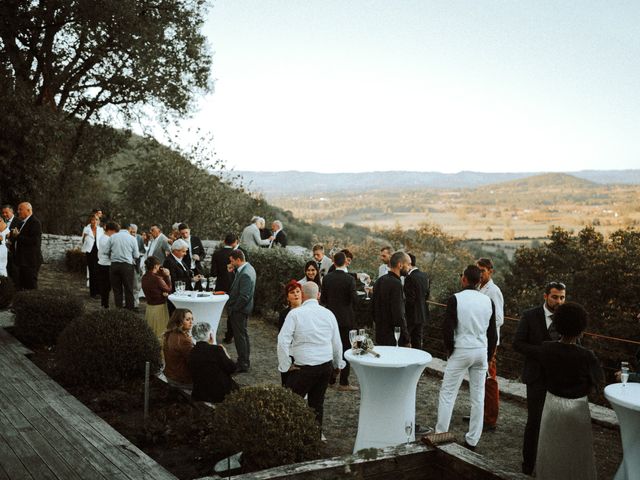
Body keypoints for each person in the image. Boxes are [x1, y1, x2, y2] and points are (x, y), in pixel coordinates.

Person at [533, 302, 603, 480]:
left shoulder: (545, 348)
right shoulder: (587, 356)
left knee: (551, 449)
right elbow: (597, 383)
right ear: (581, 328)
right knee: (577, 452)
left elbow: (541, 376)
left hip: (552, 405)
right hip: (577, 409)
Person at [435, 264, 497, 451]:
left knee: (448, 394)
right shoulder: (488, 301)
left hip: (461, 349)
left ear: (464, 279)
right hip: (481, 351)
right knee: (478, 396)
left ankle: (440, 434)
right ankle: (472, 439)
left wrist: (449, 349)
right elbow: (492, 332)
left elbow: (447, 328)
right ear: (479, 281)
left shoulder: (455, 299)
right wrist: (489, 355)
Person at [513, 281, 567, 476]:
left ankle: (550, 464)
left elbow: (578, 343)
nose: (559, 301)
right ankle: (528, 466)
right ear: (545, 296)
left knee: (556, 423)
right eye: (555, 297)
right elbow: (517, 343)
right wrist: (543, 352)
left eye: (562, 297)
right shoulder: (530, 316)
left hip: (559, 379)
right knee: (534, 421)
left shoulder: (568, 317)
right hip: (536, 377)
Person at [277, 282, 345, 427]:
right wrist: (337, 365)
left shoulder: (294, 314)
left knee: (289, 403)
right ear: (318, 295)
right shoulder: (329, 314)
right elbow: (337, 343)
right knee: (317, 405)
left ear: (302, 294)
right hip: (325, 365)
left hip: (303, 367)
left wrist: (285, 365)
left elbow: (282, 341)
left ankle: (291, 436)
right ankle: (315, 438)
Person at [320, 252, 359, 391]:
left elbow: (323, 299)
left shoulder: (327, 278)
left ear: (334, 262)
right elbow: (354, 300)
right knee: (346, 349)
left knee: (331, 348)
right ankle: (344, 382)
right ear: (345, 262)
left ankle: (330, 378)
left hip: (330, 318)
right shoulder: (350, 279)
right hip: (346, 319)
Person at [476, 258, 504, 431]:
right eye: (477, 270)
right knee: (479, 379)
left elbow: (499, 319)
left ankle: (490, 419)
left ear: (490, 271)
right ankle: (480, 413)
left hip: (489, 342)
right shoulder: (479, 288)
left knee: (489, 380)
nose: (479, 273)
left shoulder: (494, 291)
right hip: (479, 340)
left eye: (482, 270)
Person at [189, 322, 239, 403]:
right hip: (219, 394)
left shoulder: (192, 352)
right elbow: (232, 368)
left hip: (200, 393)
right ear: (210, 335)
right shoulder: (217, 350)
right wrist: (226, 353)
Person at [372, 251, 411, 346]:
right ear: (400, 265)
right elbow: (399, 314)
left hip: (379, 334)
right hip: (394, 337)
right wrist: (406, 339)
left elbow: (372, 308)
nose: (410, 268)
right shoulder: (397, 284)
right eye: (408, 264)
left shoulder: (379, 281)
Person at [210, 233, 244, 344]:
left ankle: (211, 333)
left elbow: (213, 273)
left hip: (220, 286)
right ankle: (229, 336)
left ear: (224, 241)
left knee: (215, 311)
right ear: (235, 242)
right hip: (234, 286)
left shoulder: (216, 254)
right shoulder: (239, 254)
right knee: (231, 312)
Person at [226, 249, 256, 373]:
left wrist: (233, 309)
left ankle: (243, 363)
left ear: (238, 260)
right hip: (241, 309)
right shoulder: (247, 269)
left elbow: (244, 296)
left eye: (232, 261)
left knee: (240, 337)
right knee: (242, 336)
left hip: (240, 310)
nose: (231, 263)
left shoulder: (245, 273)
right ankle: (243, 360)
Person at [105, 222, 139, 310]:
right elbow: (136, 255)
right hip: (127, 266)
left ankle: (118, 312)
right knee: (129, 289)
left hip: (115, 265)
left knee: (117, 290)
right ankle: (129, 311)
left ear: (120, 228)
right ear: (129, 229)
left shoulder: (113, 237)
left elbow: (106, 251)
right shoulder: (132, 238)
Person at [11, 202, 43, 290]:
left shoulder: (35, 222)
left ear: (28, 210)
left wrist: (17, 236)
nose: (18, 211)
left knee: (30, 287)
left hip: (30, 261)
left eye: (20, 209)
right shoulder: (22, 223)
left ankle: (32, 303)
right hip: (22, 260)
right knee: (21, 287)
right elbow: (19, 240)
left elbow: (34, 241)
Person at [278, 280, 303, 386]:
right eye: (292, 292)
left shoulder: (307, 311)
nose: (296, 294)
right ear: (287, 297)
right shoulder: (284, 314)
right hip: (290, 353)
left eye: (298, 291)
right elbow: (283, 340)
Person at [404, 253, 430, 349]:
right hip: (422, 313)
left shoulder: (409, 278)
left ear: (409, 263)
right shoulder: (424, 275)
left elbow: (410, 300)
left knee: (404, 340)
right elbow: (427, 295)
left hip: (411, 315)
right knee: (417, 340)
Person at [141, 256, 172, 339]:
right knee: (160, 331)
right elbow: (168, 289)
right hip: (159, 307)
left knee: (151, 330)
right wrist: (167, 276)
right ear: (155, 266)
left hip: (150, 307)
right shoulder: (157, 278)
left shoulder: (144, 277)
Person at [162, 308, 194, 388]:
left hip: (169, 374)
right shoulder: (183, 340)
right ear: (179, 321)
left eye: (192, 319)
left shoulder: (170, 333)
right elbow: (193, 361)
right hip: (180, 379)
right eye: (187, 319)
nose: (191, 322)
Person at [81, 214, 104, 298]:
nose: (95, 222)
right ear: (90, 221)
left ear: (99, 221)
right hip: (90, 253)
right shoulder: (86, 229)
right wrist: (85, 237)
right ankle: (93, 293)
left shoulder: (101, 230)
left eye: (96, 220)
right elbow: (82, 241)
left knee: (98, 272)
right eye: (93, 220)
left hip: (98, 252)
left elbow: (103, 241)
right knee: (92, 272)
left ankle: (99, 292)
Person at [96, 222, 118, 308]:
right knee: (106, 287)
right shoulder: (105, 239)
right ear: (110, 230)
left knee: (106, 286)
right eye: (115, 232)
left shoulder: (104, 237)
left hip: (103, 264)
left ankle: (105, 304)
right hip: (105, 265)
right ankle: (105, 305)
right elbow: (109, 253)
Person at [128, 223, 146, 307]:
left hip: (136, 264)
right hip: (127, 264)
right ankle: (128, 302)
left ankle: (135, 303)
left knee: (136, 285)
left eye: (134, 232)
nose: (133, 234)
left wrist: (138, 254)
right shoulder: (126, 238)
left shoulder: (139, 238)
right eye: (131, 232)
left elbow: (143, 250)